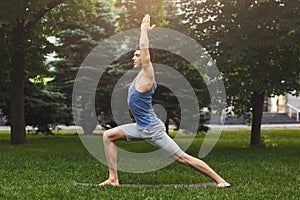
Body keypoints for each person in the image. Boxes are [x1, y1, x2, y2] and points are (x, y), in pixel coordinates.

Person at [98, 14, 230, 188]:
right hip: (140, 127)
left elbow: (145, 49)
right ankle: (113, 179)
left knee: (182, 158)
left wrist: (143, 31)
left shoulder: (148, 74)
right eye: (134, 55)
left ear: (145, 58)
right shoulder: (138, 76)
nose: (134, 57)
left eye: (137, 55)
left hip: (152, 130)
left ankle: (220, 180)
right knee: (108, 136)